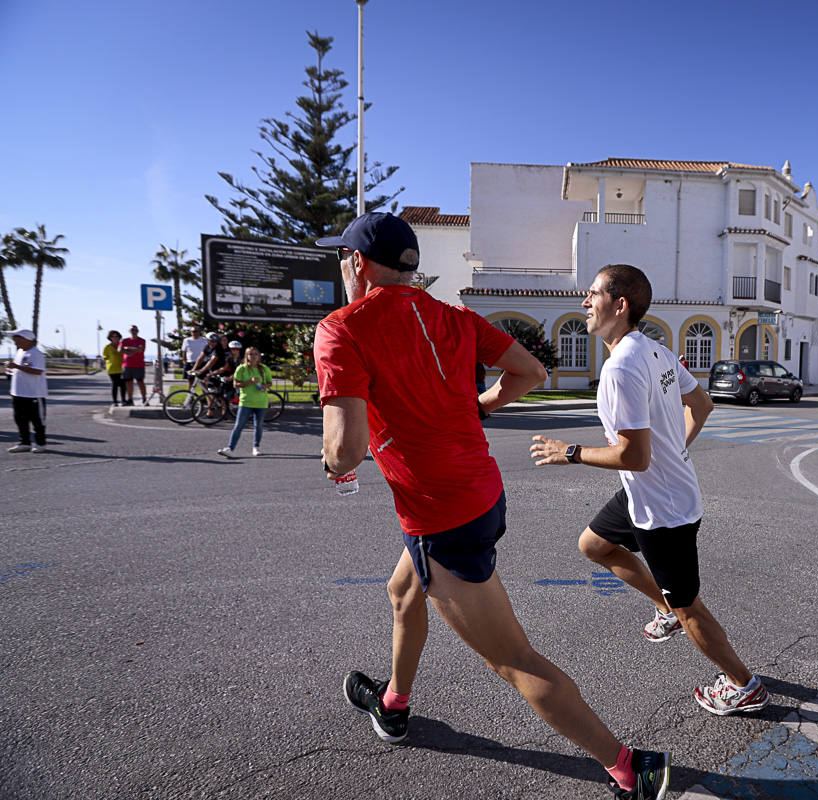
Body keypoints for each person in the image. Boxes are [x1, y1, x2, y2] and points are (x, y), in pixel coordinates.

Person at [314, 213, 669, 799]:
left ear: (356, 263)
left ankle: (630, 767)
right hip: (483, 493)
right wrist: (476, 407)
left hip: (441, 515)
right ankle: (395, 703)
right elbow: (530, 371)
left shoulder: (342, 329)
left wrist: (331, 463)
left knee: (513, 658)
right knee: (404, 592)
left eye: (342, 260)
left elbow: (346, 450)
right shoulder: (452, 315)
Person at [530, 264, 770, 717]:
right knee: (594, 545)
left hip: (664, 510)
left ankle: (744, 684)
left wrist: (571, 452)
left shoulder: (620, 368)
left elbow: (633, 456)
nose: (584, 302)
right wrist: (672, 451)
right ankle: (664, 604)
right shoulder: (654, 350)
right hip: (650, 493)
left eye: (593, 294)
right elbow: (701, 404)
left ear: (619, 305)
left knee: (689, 608)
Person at [217, 346, 272, 458]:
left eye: (255, 354)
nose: (253, 356)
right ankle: (230, 448)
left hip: (261, 402)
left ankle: (256, 447)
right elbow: (235, 384)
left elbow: (269, 383)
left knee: (259, 426)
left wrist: (264, 386)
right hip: (246, 401)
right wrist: (249, 382)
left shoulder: (264, 368)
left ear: (259, 356)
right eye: (250, 354)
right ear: (247, 356)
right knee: (239, 425)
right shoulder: (241, 369)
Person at [4, 328, 48, 453]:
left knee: (37, 420)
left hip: (34, 394)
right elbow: (20, 371)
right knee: (20, 419)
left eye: (16, 338)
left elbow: (37, 371)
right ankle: (24, 443)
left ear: (26, 339)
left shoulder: (36, 354)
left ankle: (41, 443)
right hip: (18, 393)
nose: (14, 341)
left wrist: (17, 366)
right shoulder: (20, 352)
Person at [120, 324, 148, 406]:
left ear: (138, 331)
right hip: (127, 365)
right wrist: (133, 349)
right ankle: (130, 399)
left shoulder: (141, 340)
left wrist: (127, 349)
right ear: (129, 331)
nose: (133, 331)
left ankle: (144, 399)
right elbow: (120, 350)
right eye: (132, 330)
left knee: (140, 382)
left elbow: (140, 350)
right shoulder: (124, 341)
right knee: (129, 382)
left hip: (139, 365)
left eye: (135, 330)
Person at [101, 329, 126, 407]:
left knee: (123, 385)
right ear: (110, 338)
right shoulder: (107, 347)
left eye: (116, 336)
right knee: (115, 384)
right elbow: (105, 357)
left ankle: (123, 400)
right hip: (112, 368)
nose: (115, 338)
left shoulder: (122, 346)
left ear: (119, 337)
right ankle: (114, 401)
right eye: (113, 336)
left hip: (122, 368)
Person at [181, 326, 208, 392]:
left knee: (203, 382)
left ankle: (205, 399)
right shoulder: (187, 340)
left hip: (202, 363)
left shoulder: (204, 340)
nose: (195, 333)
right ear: (191, 332)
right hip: (190, 363)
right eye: (193, 331)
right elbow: (184, 352)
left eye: (197, 331)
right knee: (191, 382)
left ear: (199, 332)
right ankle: (190, 398)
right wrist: (185, 363)